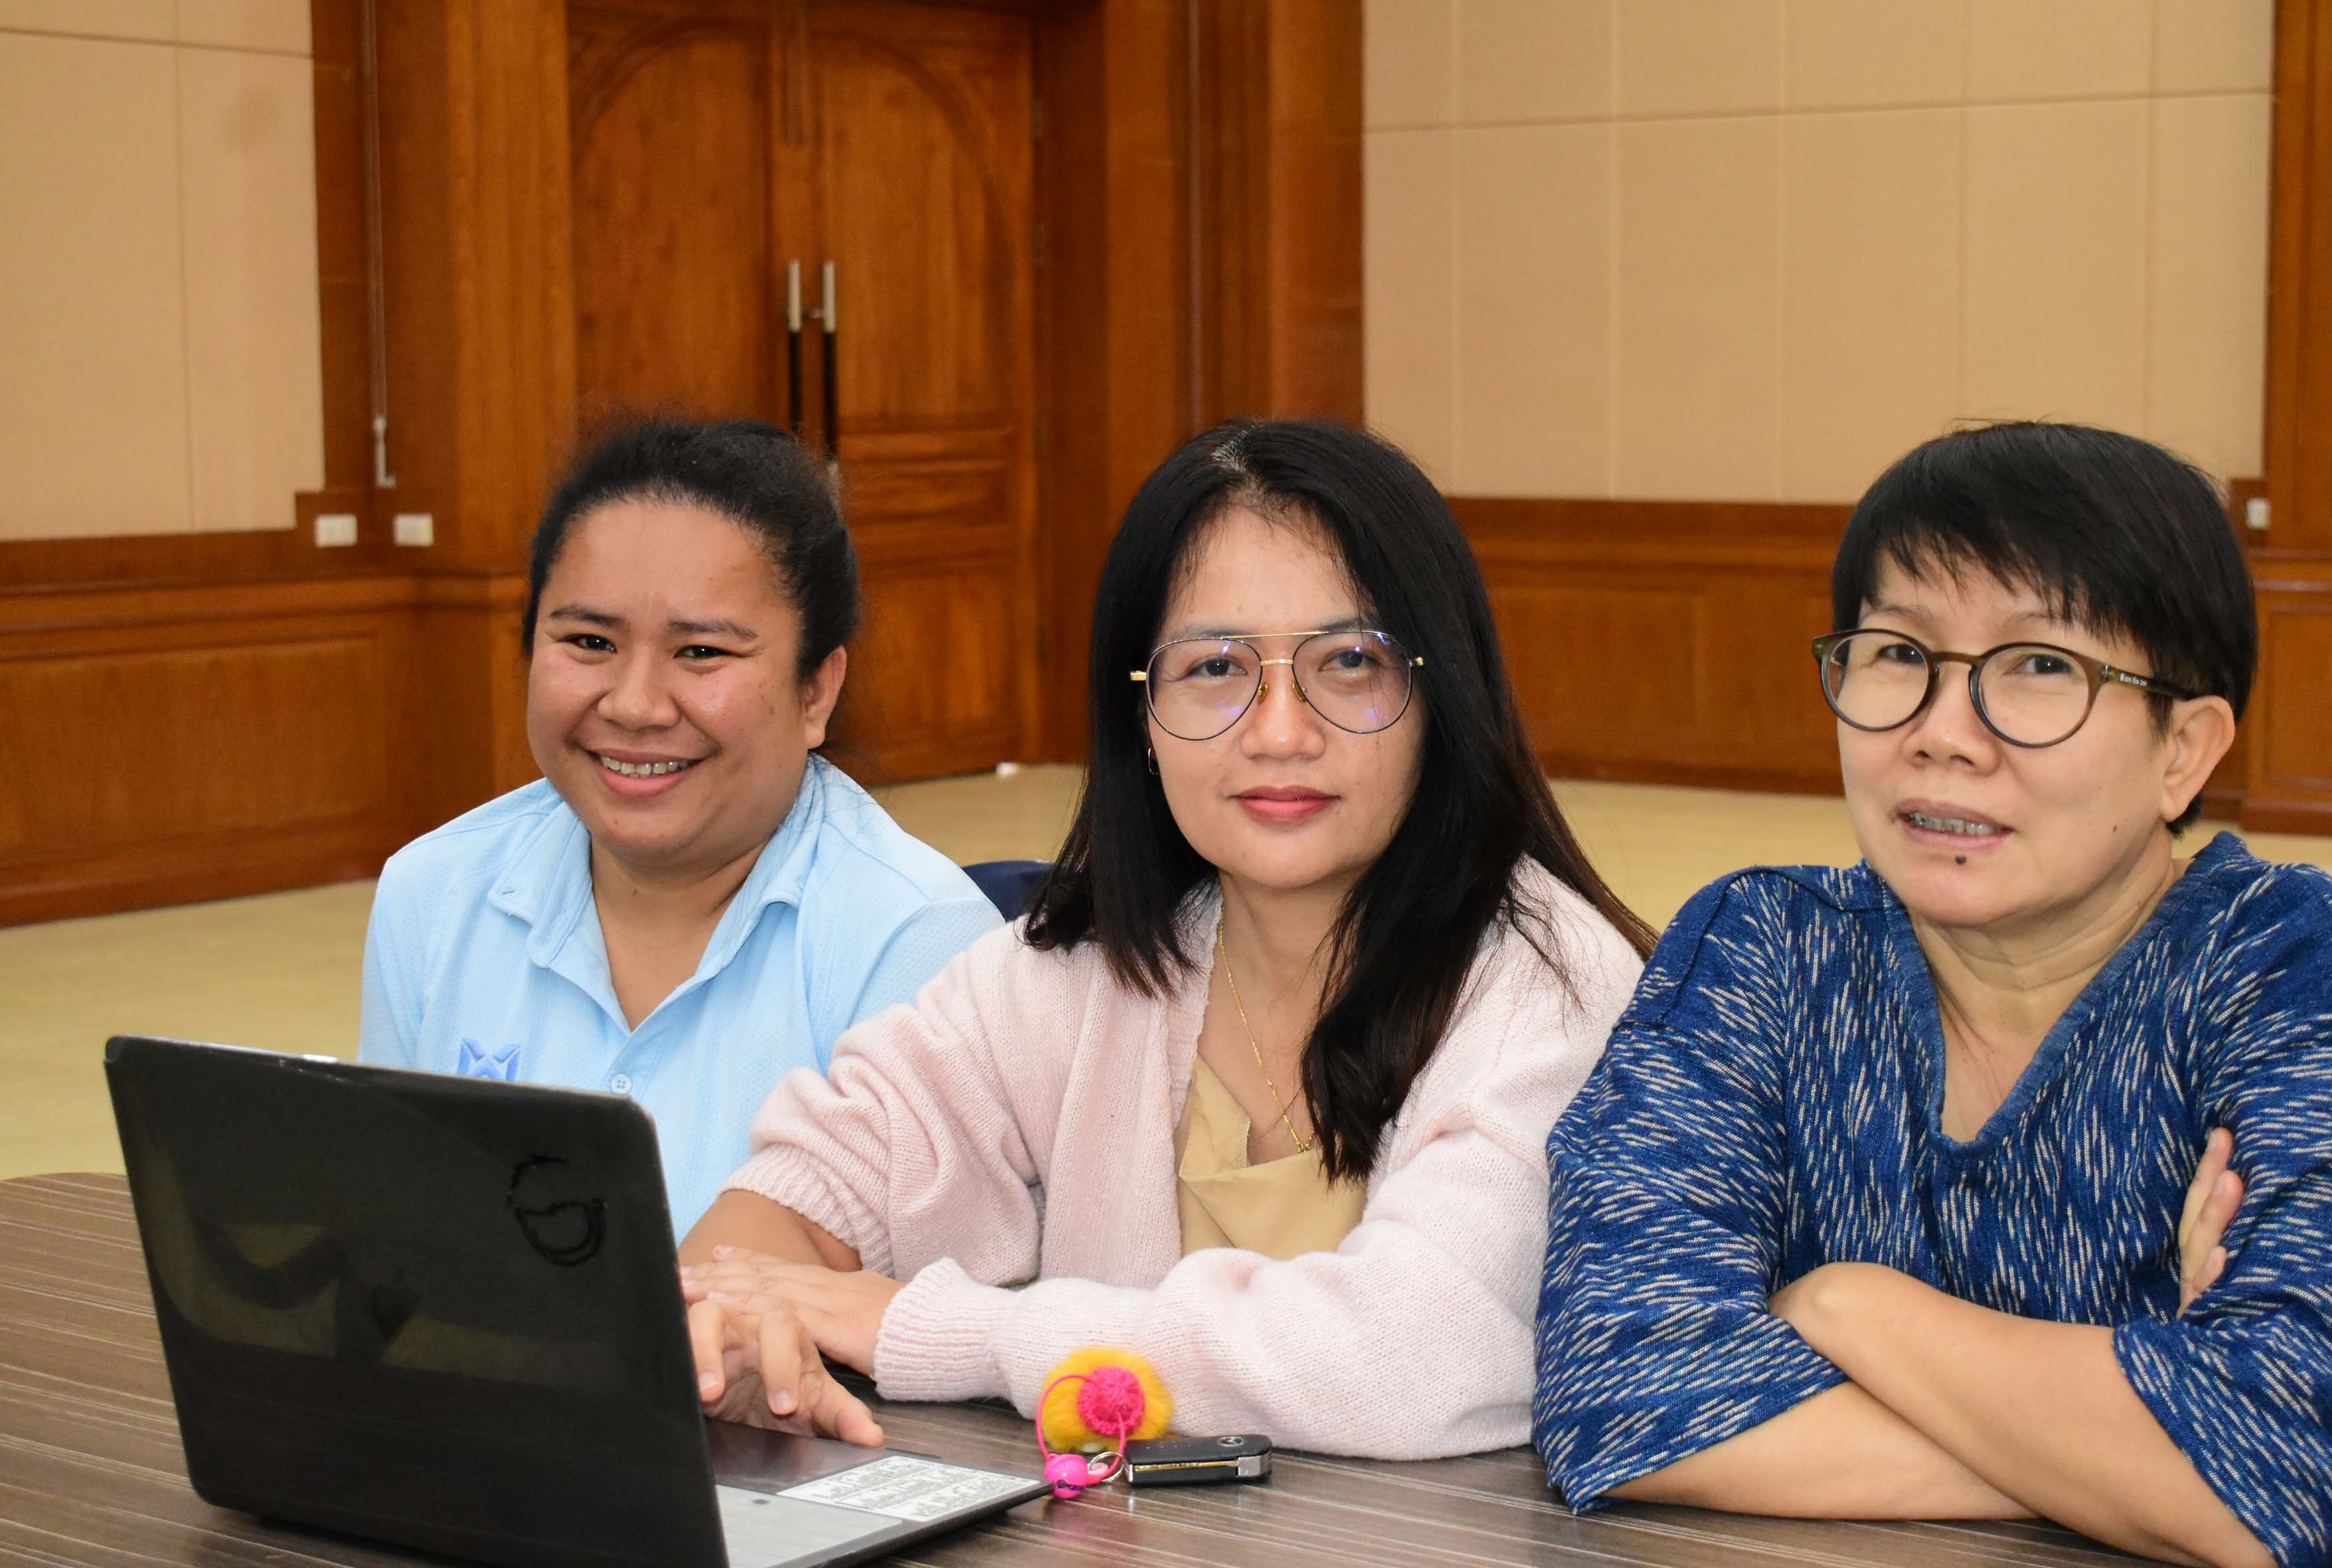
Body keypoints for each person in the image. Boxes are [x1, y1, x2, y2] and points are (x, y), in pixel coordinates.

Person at [1533, 422, 2332, 1568]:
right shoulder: (1762, 952)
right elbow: (1615, 1386)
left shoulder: (2309, 978)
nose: (1942, 735)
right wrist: (2133, 1456)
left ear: (2184, 751)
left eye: (2040, 666)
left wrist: (1849, 1305)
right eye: (1899, 653)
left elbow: (2274, 1461)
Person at [675, 417, 1653, 1456]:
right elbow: (812, 1188)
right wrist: (732, 1321)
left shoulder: (1550, 984)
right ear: (1138, 714)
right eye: (1215, 666)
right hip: (1127, 1561)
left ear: (1441, 694)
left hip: (1436, 1558)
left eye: (1350, 661)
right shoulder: (1089, 966)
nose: (1280, 731)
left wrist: (935, 1328)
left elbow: (1415, 1357)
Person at [358, 418, 1000, 1233]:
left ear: (815, 692)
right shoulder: (434, 891)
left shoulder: (916, 943)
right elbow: (393, 1232)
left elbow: (936, 1296)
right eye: (589, 641)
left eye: (700, 653)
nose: (634, 705)